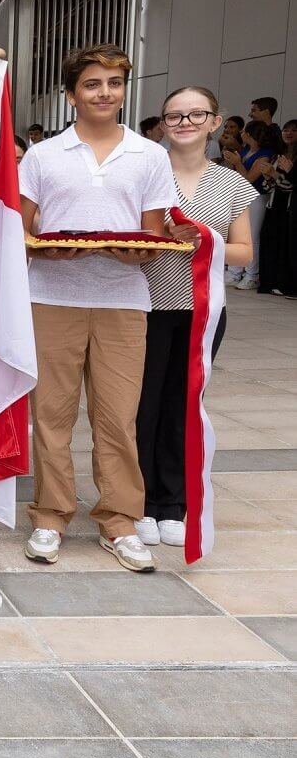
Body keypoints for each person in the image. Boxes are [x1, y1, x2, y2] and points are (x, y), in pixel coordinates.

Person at [18, 43, 175, 573]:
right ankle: (50, 516)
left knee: (117, 418)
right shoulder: (41, 156)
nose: (105, 92)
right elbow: (21, 229)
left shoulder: (150, 155)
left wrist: (135, 247)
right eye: (92, 84)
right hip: (52, 297)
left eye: (114, 83)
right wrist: (45, 244)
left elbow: (153, 234)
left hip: (124, 300)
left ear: (124, 90)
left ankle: (119, 521)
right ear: (71, 95)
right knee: (51, 416)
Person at [136, 87, 255, 547]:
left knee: (183, 405)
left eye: (195, 115)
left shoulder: (230, 184)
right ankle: (140, 501)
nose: (184, 122)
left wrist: (204, 239)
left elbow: (244, 251)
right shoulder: (145, 173)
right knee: (142, 406)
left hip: (202, 312)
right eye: (174, 116)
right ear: (162, 124)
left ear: (215, 121)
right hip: (144, 305)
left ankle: (173, 503)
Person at [223, 119, 280, 288]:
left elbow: (249, 179)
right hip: (241, 196)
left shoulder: (265, 154)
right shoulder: (247, 150)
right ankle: (234, 272)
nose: (242, 134)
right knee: (237, 235)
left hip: (256, 197)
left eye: (245, 132)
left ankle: (251, 275)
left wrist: (237, 162)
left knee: (252, 237)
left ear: (250, 135)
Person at [258, 119, 297, 296]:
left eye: (293, 130)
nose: (288, 133)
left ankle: (286, 283)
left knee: (286, 246)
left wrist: (277, 174)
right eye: (286, 130)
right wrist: (268, 177)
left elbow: (291, 186)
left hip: (289, 207)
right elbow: (269, 187)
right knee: (270, 242)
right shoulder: (278, 155)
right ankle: (271, 281)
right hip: (273, 204)